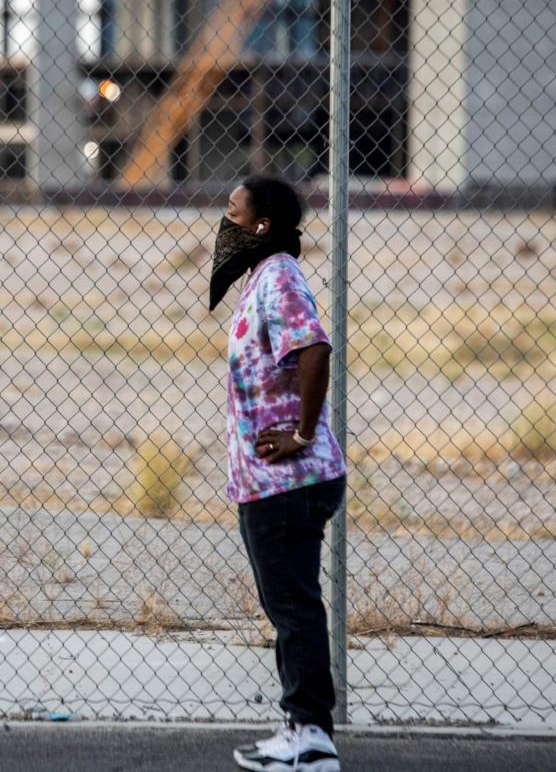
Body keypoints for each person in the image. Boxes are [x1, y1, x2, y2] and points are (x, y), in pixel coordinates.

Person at [209, 177, 346, 772]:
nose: (225, 219)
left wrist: (301, 434)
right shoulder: (263, 279)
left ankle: (312, 736)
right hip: (268, 483)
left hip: (288, 479)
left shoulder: (281, 276)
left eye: (234, 211)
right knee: (288, 606)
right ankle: (300, 728)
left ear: (262, 224)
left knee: (293, 607)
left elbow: (314, 349)